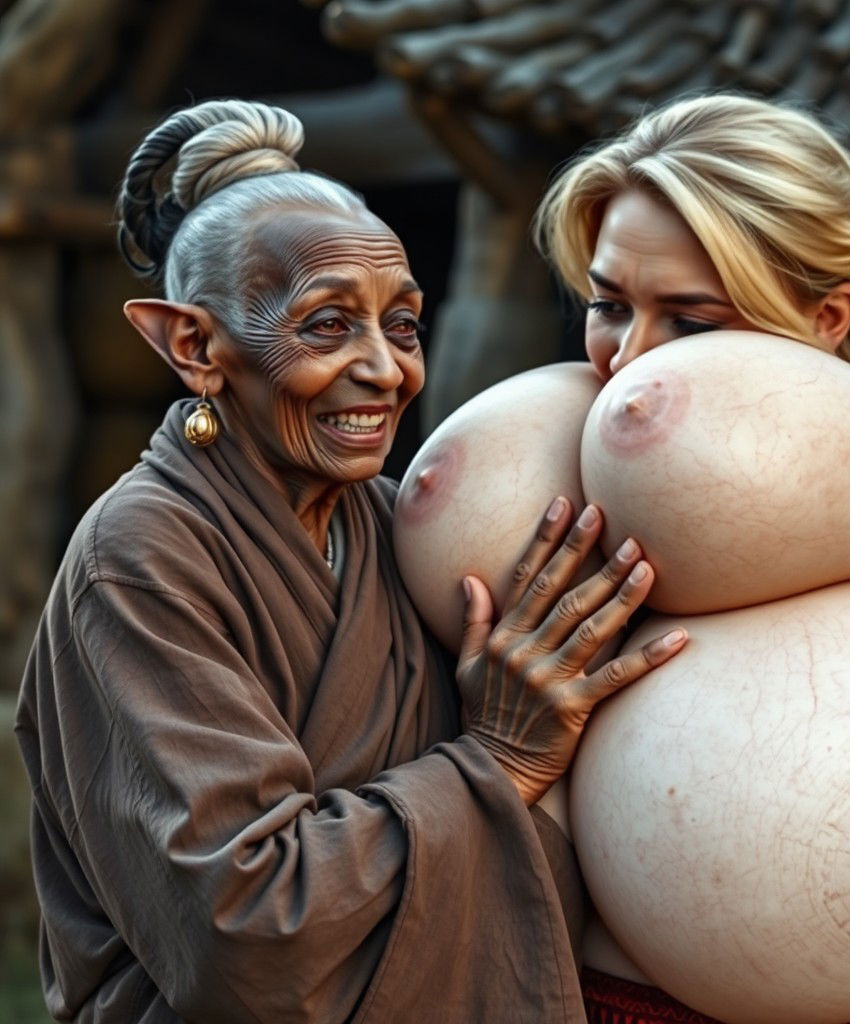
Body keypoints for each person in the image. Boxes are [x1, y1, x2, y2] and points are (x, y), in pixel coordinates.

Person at [14, 98, 688, 1022]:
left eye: (402, 325)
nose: (386, 370)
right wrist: (494, 762)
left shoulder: (387, 521)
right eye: (327, 327)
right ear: (194, 345)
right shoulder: (140, 558)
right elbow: (243, 926)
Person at [533, 94, 850, 1024]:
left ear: (827, 318)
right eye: (608, 305)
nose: (630, 361)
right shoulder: (550, 485)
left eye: (692, 324)